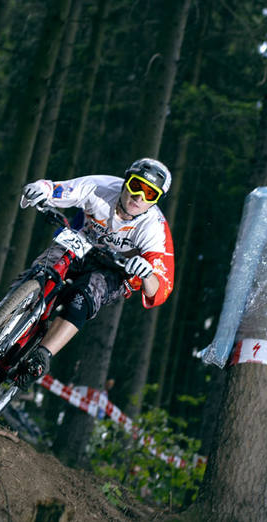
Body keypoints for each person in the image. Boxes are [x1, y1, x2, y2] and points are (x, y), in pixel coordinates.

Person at [15, 158, 175, 388]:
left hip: (114, 269)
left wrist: (147, 274)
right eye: (136, 185)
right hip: (81, 242)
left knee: (83, 298)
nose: (139, 197)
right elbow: (59, 189)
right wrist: (40, 188)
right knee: (42, 270)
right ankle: (9, 314)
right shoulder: (100, 187)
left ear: (156, 200)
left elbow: (159, 289)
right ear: (126, 181)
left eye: (150, 194)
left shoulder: (155, 229)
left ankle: (42, 356)